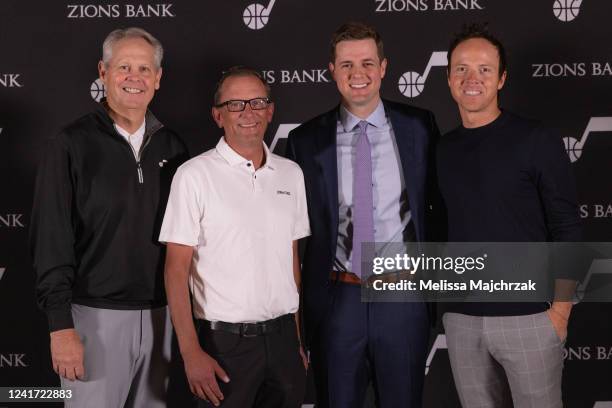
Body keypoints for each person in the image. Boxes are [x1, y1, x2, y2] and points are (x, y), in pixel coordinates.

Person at [286, 21, 443, 408]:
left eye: (368, 63)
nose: (358, 74)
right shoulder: (305, 140)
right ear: (332, 70)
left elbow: (439, 207)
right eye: (347, 65)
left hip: (402, 296)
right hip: (339, 297)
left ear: (384, 67)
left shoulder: (419, 127)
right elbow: (293, 232)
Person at [30, 27, 188, 407]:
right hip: (92, 321)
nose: (135, 78)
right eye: (124, 67)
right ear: (103, 72)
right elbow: (50, 239)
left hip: (161, 319)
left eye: (145, 69)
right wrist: (60, 327)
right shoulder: (70, 144)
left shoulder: (174, 146)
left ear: (158, 78)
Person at [438, 23, 581, 408]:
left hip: (531, 317)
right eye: (462, 69)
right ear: (449, 78)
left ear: (501, 78)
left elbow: (567, 227)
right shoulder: (442, 150)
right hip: (462, 319)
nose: (472, 78)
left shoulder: (535, 139)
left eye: (484, 69)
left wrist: (561, 312)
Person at [159, 66, 310, 408]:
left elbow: (292, 263)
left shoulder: (291, 174)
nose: (249, 113)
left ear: (270, 111)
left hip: (284, 340)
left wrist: (297, 342)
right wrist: (190, 353)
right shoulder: (193, 175)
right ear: (218, 115)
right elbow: (175, 270)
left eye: (257, 102)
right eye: (236, 104)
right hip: (224, 345)